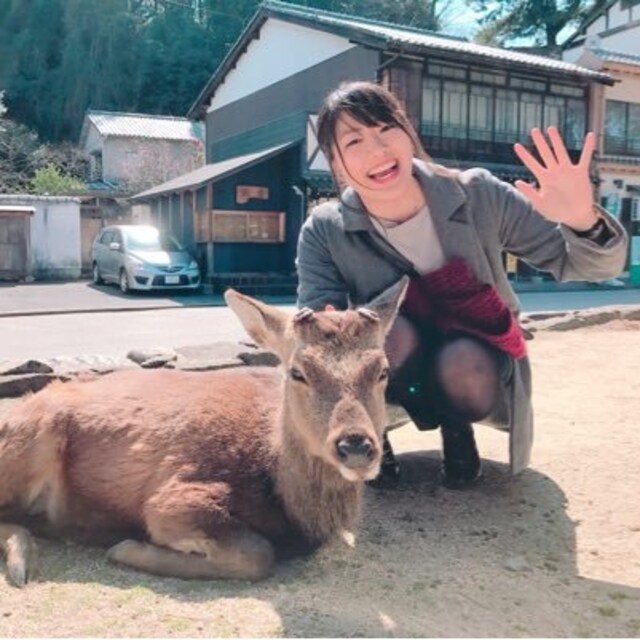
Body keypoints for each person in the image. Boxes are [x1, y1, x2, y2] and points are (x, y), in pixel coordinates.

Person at [295, 81, 628, 489]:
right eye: (354, 141)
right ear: (335, 162)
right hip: (389, 364)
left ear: (408, 131)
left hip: (477, 356)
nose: (377, 151)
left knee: (462, 362)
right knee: (391, 331)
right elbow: (318, 325)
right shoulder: (325, 229)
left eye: (385, 129)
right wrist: (329, 325)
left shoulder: (477, 194)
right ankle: (374, 432)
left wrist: (583, 220)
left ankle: (457, 426)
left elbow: (586, 265)